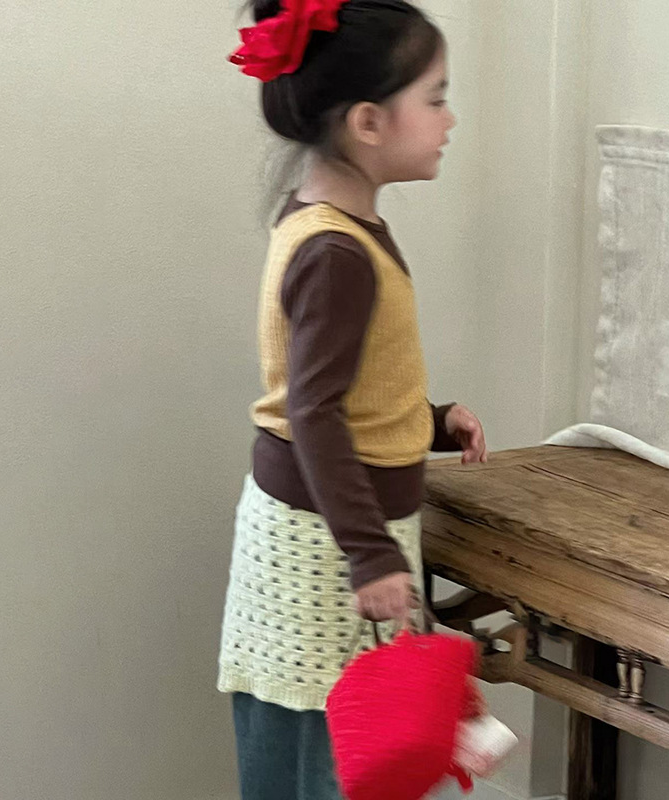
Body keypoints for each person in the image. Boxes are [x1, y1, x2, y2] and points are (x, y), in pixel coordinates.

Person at [218, 2, 489, 798]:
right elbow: (312, 412)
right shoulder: (336, 250)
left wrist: (429, 423)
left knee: (342, 741)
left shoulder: (339, 228)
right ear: (369, 121)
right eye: (435, 98)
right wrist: (369, 555)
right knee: (329, 749)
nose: (449, 119)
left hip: (332, 526)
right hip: (325, 542)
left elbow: (343, 388)